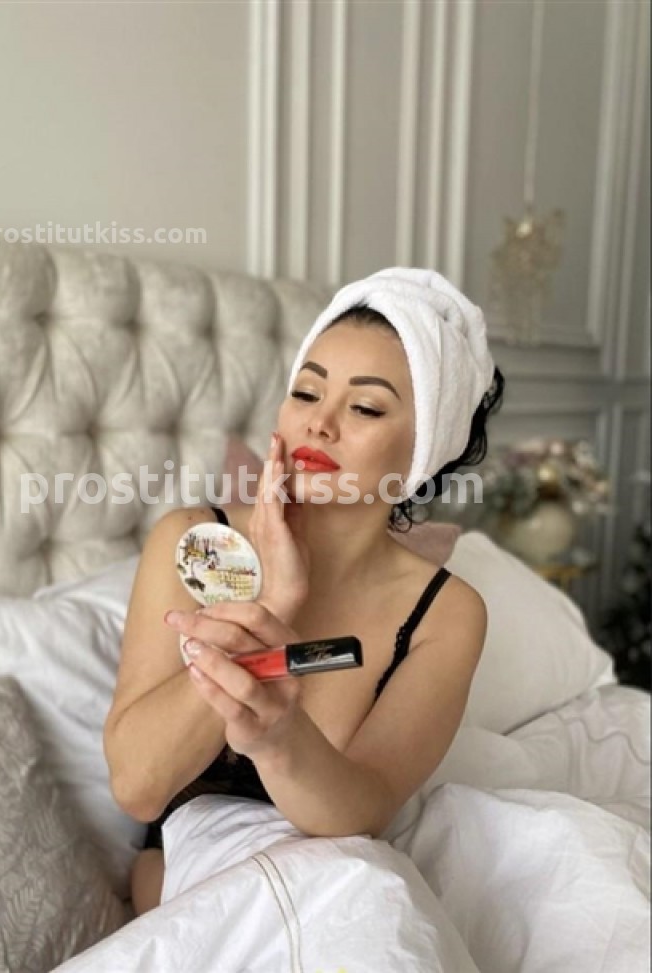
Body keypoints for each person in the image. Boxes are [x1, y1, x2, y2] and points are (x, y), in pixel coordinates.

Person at [103, 268, 505, 916]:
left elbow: (365, 809)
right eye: (306, 391)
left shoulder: (447, 614)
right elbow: (137, 787)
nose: (319, 423)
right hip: (187, 887)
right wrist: (268, 610)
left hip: (334, 889)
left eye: (365, 407)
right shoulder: (195, 541)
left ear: (424, 450)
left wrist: (277, 738)